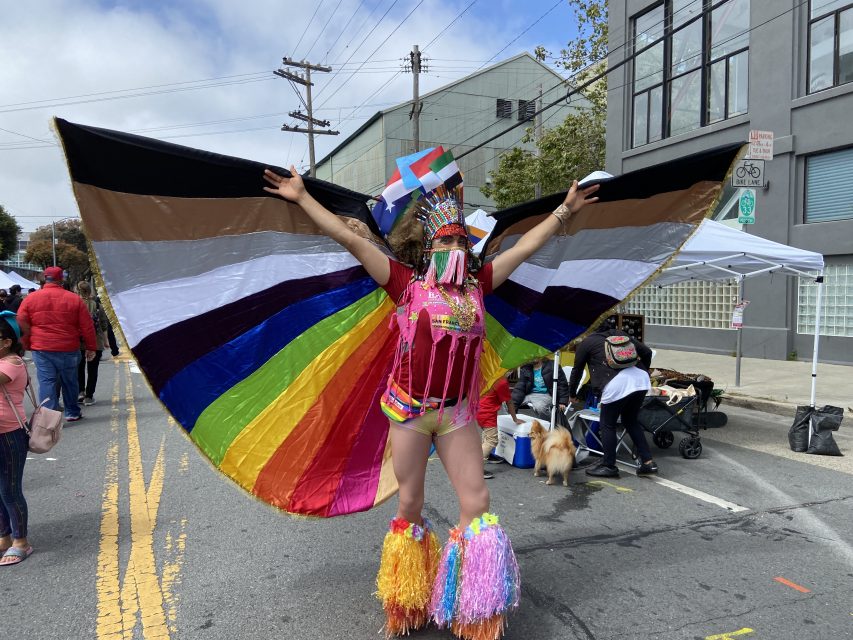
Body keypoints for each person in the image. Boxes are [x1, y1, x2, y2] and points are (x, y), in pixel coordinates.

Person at [263, 165, 598, 639]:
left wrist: (565, 210)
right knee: (411, 503)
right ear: (429, 249)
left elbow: (524, 248)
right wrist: (300, 197)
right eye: (446, 243)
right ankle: (408, 600)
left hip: (458, 415)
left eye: (462, 243)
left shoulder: (480, 287)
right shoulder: (404, 285)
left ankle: (475, 610)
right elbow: (350, 239)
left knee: (478, 503)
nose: (455, 250)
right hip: (411, 414)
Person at [568, 320, 658, 478]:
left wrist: (572, 393)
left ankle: (608, 465)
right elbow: (647, 352)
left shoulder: (588, 342)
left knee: (607, 424)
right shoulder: (621, 335)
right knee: (630, 420)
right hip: (641, 380)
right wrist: (643, 370)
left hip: (615, 383)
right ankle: (648, 462)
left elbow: (577, 370)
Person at [17, 267, 96, 422]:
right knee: (70, 380)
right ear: (61, 279)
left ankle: (48, 418)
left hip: (41, 347)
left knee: (47, 381)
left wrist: (26, 343)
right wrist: (91, 347)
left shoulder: (31, 298)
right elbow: (87, 326)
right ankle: (72, 412)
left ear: (45, 279)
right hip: (68, 346)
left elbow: (21, 321)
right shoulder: (74, 299)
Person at [0, 312, 33, 566]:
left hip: (9, 434)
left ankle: (21, 541)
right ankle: (4, 535)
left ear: (7, 341)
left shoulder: (13, 363)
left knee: (9, 490)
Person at [477, 371, 523, 479]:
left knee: (487, 435)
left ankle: (486, 456)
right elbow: (509, 402)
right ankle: (477, 469)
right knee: (492, 440)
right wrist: (515, 418)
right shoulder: (501, 381)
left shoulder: (487, 375)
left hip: (478, 410)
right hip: (487, 413)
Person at [76, 281, 109, 405]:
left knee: (78, 368)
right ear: (90, 291)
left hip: (78, 342)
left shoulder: (75, 305)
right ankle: (89, 396)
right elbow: (104, 325)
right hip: (96, 341)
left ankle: (80, 392)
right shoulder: (98, 306)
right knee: (93, 369)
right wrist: (106, 341)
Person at [511, 356, 571, 424]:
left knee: (540, 407)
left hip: (547, 394)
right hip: (530, 393)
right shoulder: (526, 368)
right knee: (508, 404)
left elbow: (562, 384)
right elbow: (520, 387)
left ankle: (549, 425)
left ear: (541, 355)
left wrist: (562, 401)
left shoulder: (552, 365)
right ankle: (513, 424)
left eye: (535, 355)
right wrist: (513, 403)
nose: (532, 357)